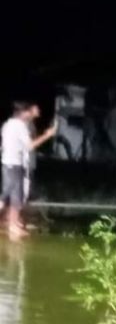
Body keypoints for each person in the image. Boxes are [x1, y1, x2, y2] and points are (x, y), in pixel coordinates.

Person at [0, 102, 56, 240]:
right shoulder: (20, 126)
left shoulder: (8, 124)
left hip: (8, 163)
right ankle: (13, 225)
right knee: (7, 195)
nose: (31, 114)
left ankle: (13, 225)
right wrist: (47, 135)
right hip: (14, 164)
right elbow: (29, 146)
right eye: (29, 112)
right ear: (24, 113)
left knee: (14, 196)